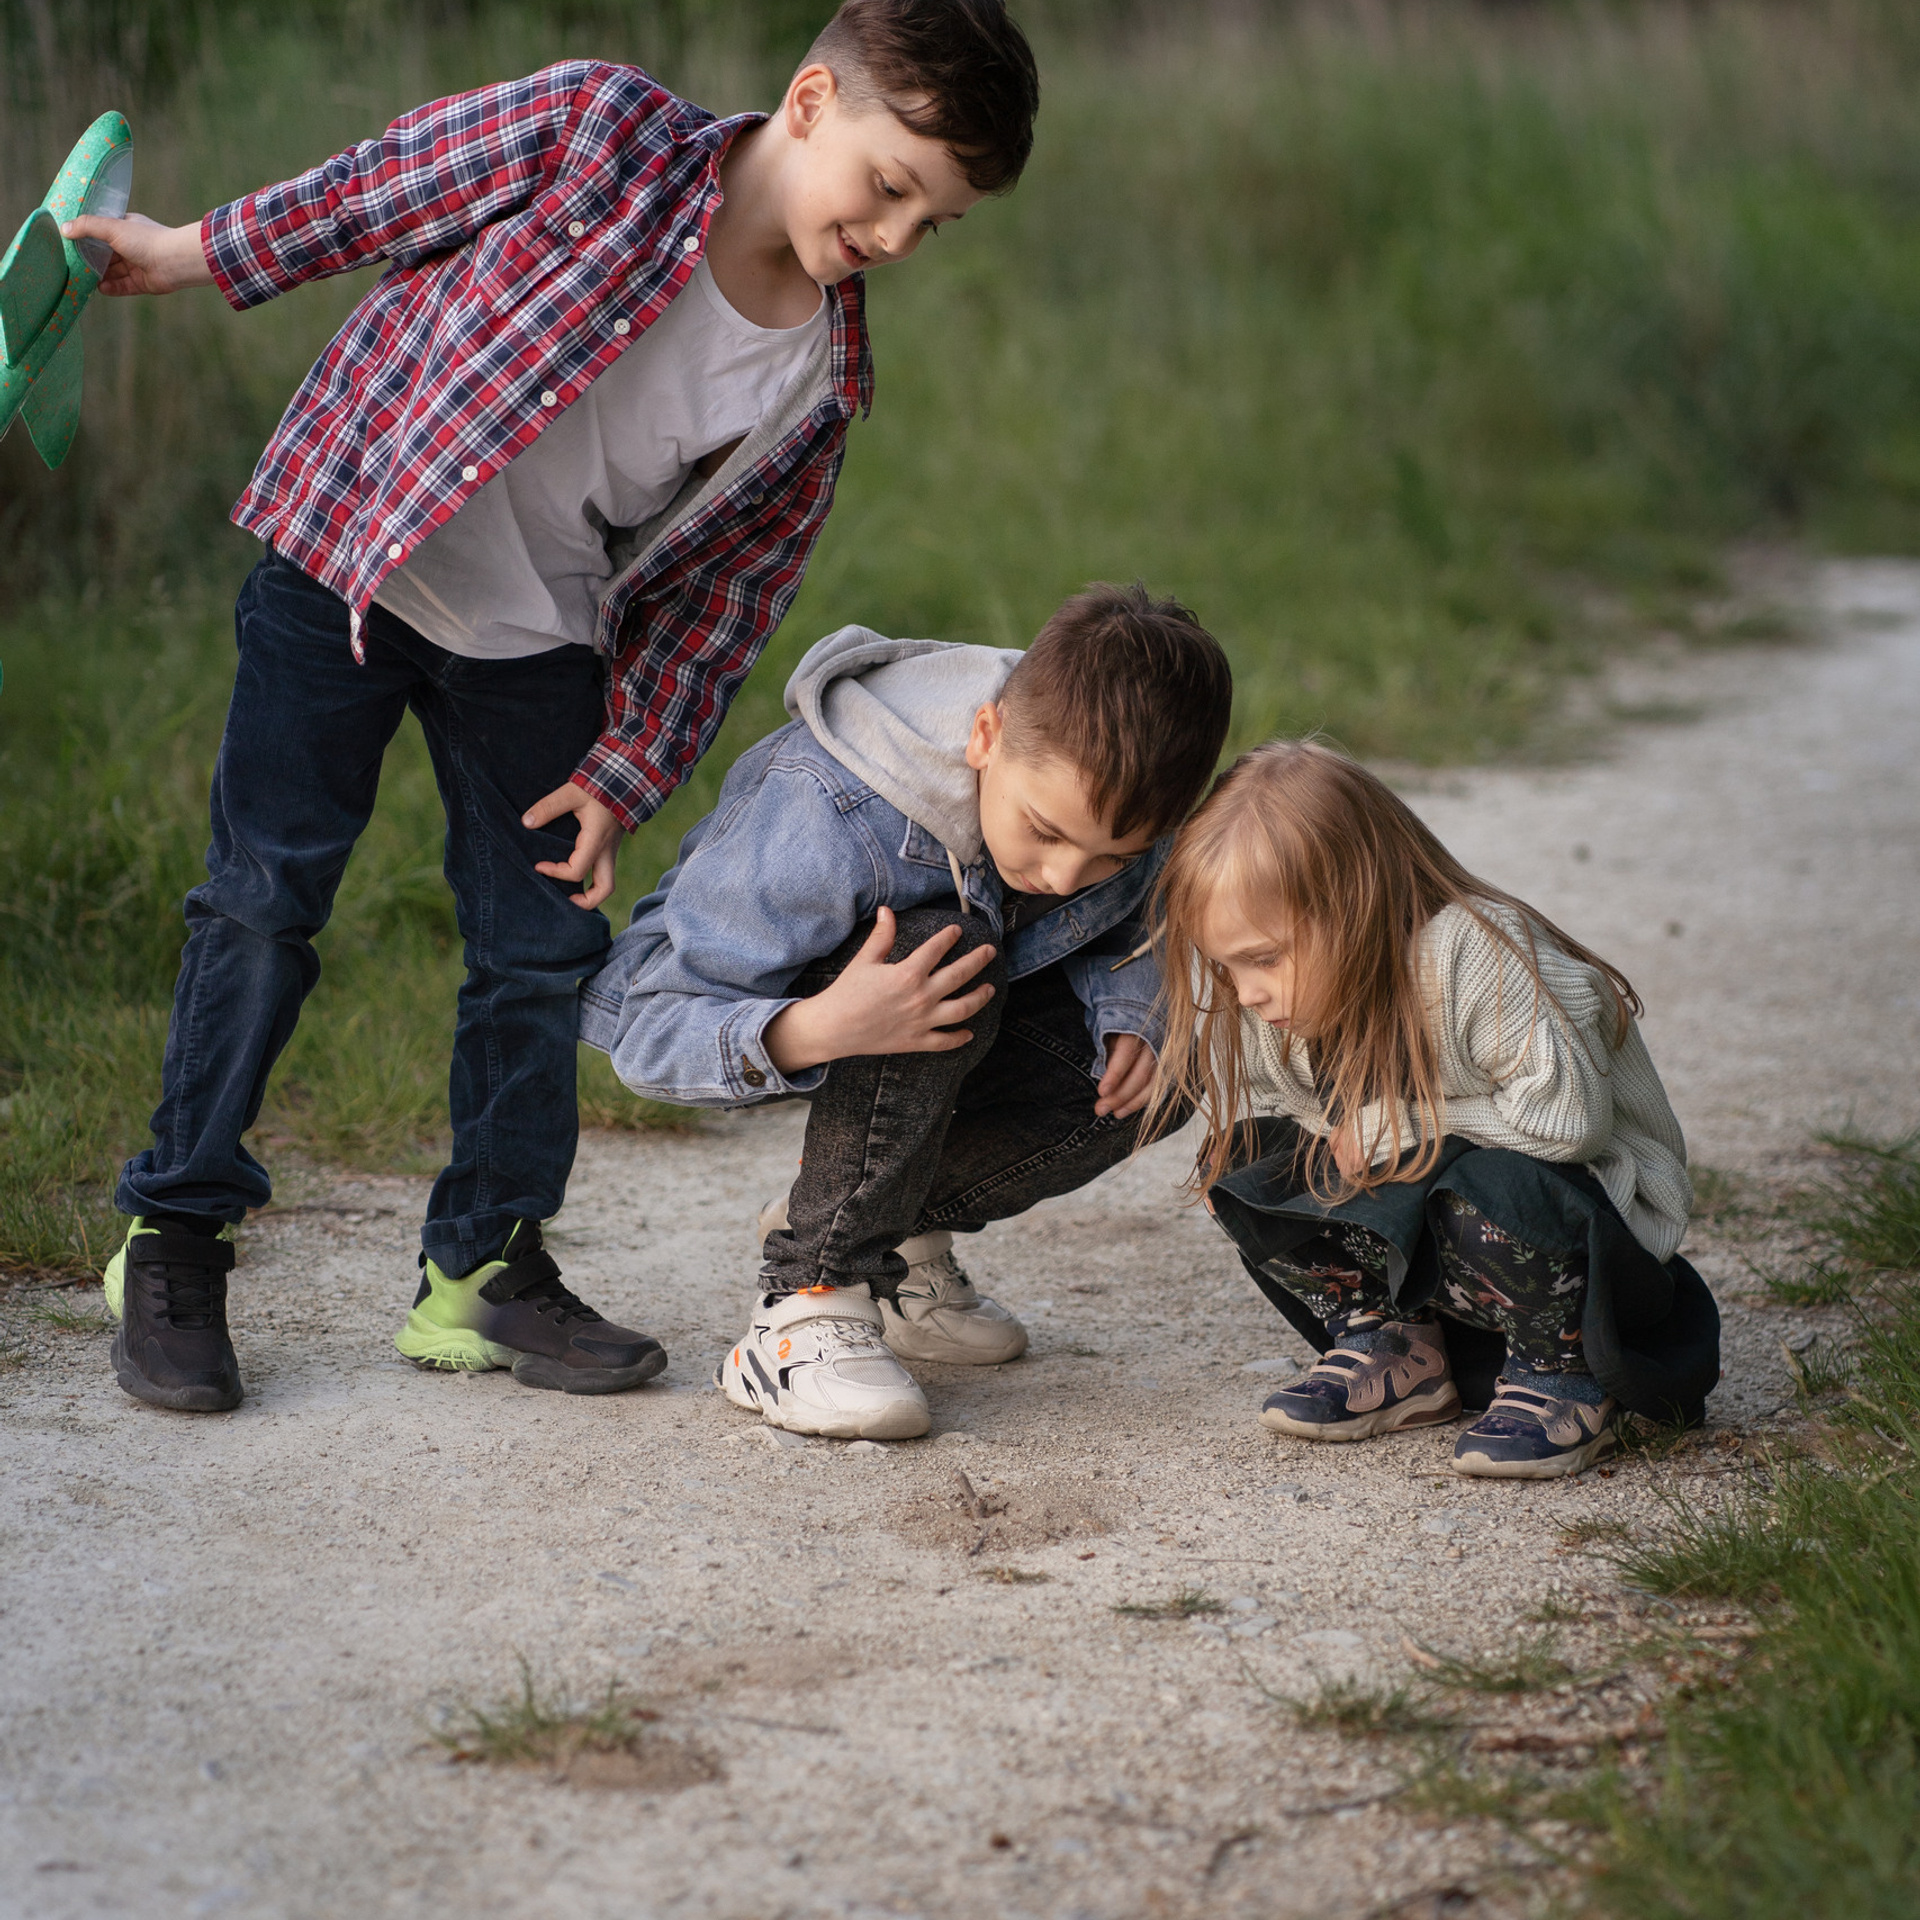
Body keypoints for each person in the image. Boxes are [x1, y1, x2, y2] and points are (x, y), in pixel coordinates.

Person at [65, 1, 1041, 1413]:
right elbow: (374, 186)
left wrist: (628, 769)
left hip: (537, 645)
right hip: (351, 548)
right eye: (891, 188)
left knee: (537, 952)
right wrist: (192, 255)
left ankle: (482, 1270)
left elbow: (723, 605)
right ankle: (176, 1237)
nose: (895, 238)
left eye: (931, 224)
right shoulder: (602, 132)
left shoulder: (821, 380)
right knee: (264, 900)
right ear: (815, 100)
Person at [580, 584, 1234, 1439]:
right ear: (986, 735)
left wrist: (1132, 1018)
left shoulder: (1108, 800)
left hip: (925, 1022)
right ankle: (806, 1304)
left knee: (1157, 1071)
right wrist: (818, 1027)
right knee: (941, 948)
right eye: (1045, 832)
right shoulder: (827, 810)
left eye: (1114, 854)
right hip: (794, 1016)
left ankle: (888, 1246)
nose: (1067, 875)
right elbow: (651, 1031)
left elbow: (1131, 928)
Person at [1142, 740, 1720, 1479]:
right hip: (1450, 1258)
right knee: (1249, 1151)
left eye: (1264, 958)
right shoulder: (1278, 1005)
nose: (1246, 990)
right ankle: (1397, 1345)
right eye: (1226, 964)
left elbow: (1568, 1125)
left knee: (1491, 1185)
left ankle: (1560, 1375)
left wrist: (1409, 1125)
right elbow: (1284, 1114)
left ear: (1355, 907)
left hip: (1592, 1255)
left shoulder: (1477, 957)